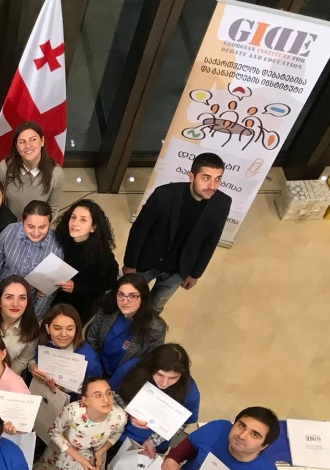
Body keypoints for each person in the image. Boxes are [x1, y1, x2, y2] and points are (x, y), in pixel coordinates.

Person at [123, 152, 230, 311]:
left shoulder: (222, 203)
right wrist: (130, 264)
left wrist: (195, 273)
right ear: (192, 176)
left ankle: (141, 327)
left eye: (217, 179)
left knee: (155, 308)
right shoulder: (164, 195)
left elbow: (210, 242)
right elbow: (139, 230)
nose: (212, 186)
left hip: (179, 270)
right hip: (147, 262)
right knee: (125, 299)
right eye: (206, 178)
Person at [107, 344, 200, 470]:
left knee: (131, 469)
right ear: (151, 367)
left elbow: (182, 423)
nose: (164, 383)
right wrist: (127, 413)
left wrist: (153, 441)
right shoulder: (131, 369)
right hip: (117, 431)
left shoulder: (190, 391)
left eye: (173, 378)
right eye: (160, 375)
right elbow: (111, 393)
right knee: (106, 456)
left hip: (152, 443)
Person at [34, 376, 127, 470]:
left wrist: (100, 452)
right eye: (98, 395)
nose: (106, 399)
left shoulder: (119, 416)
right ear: (85, 400)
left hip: (92, 455)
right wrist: (80, 459)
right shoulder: (73, 411)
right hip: (65, 451)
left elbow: (116, 434)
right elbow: (54, 432)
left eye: (109, 393)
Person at [85, 273, 167, 384]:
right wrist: (96, 371)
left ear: (143, 298)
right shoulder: (107, 311)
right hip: (95, 370)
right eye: (121, 295)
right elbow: (92, 338)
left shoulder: (155, 329)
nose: (125, 301)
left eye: (132, 296)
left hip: (124, 380)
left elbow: (147, 363)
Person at [0, 201, 62, 319]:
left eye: (42, 227)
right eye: (30, 226)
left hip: (31, 304)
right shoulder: (9, 232)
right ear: (23, 221)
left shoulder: (56, 246)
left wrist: (33, 318)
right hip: (2, 297)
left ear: (50, 223)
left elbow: (47, 293)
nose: (36, 233)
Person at [51, 199, 119, 324]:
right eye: (73, 217)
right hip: (55, 296)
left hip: (81, 303)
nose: (75, 223)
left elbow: (109, 284)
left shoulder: (103, 256)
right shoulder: (60, 240)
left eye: (83, 220)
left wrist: (77, 287)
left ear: (93, 227)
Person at [27, 304, 104, 396]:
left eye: (69, 329)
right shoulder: (43, 343)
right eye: (57, 328)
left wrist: (63, 389)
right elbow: (31, 358)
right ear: (48, 328)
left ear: (76, 329)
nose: (63, 334)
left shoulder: (90, 360)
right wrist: (32, 366)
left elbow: (96, 390)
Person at [0, 121, 64, 218]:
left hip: (38, 226)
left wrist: (35, 227)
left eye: (33, 140)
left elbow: (52, 210)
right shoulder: (5, 167)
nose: (28, 146)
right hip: (8, 224)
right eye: (22, 142)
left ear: (42, 141)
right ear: (16, 146)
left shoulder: (56, 172)